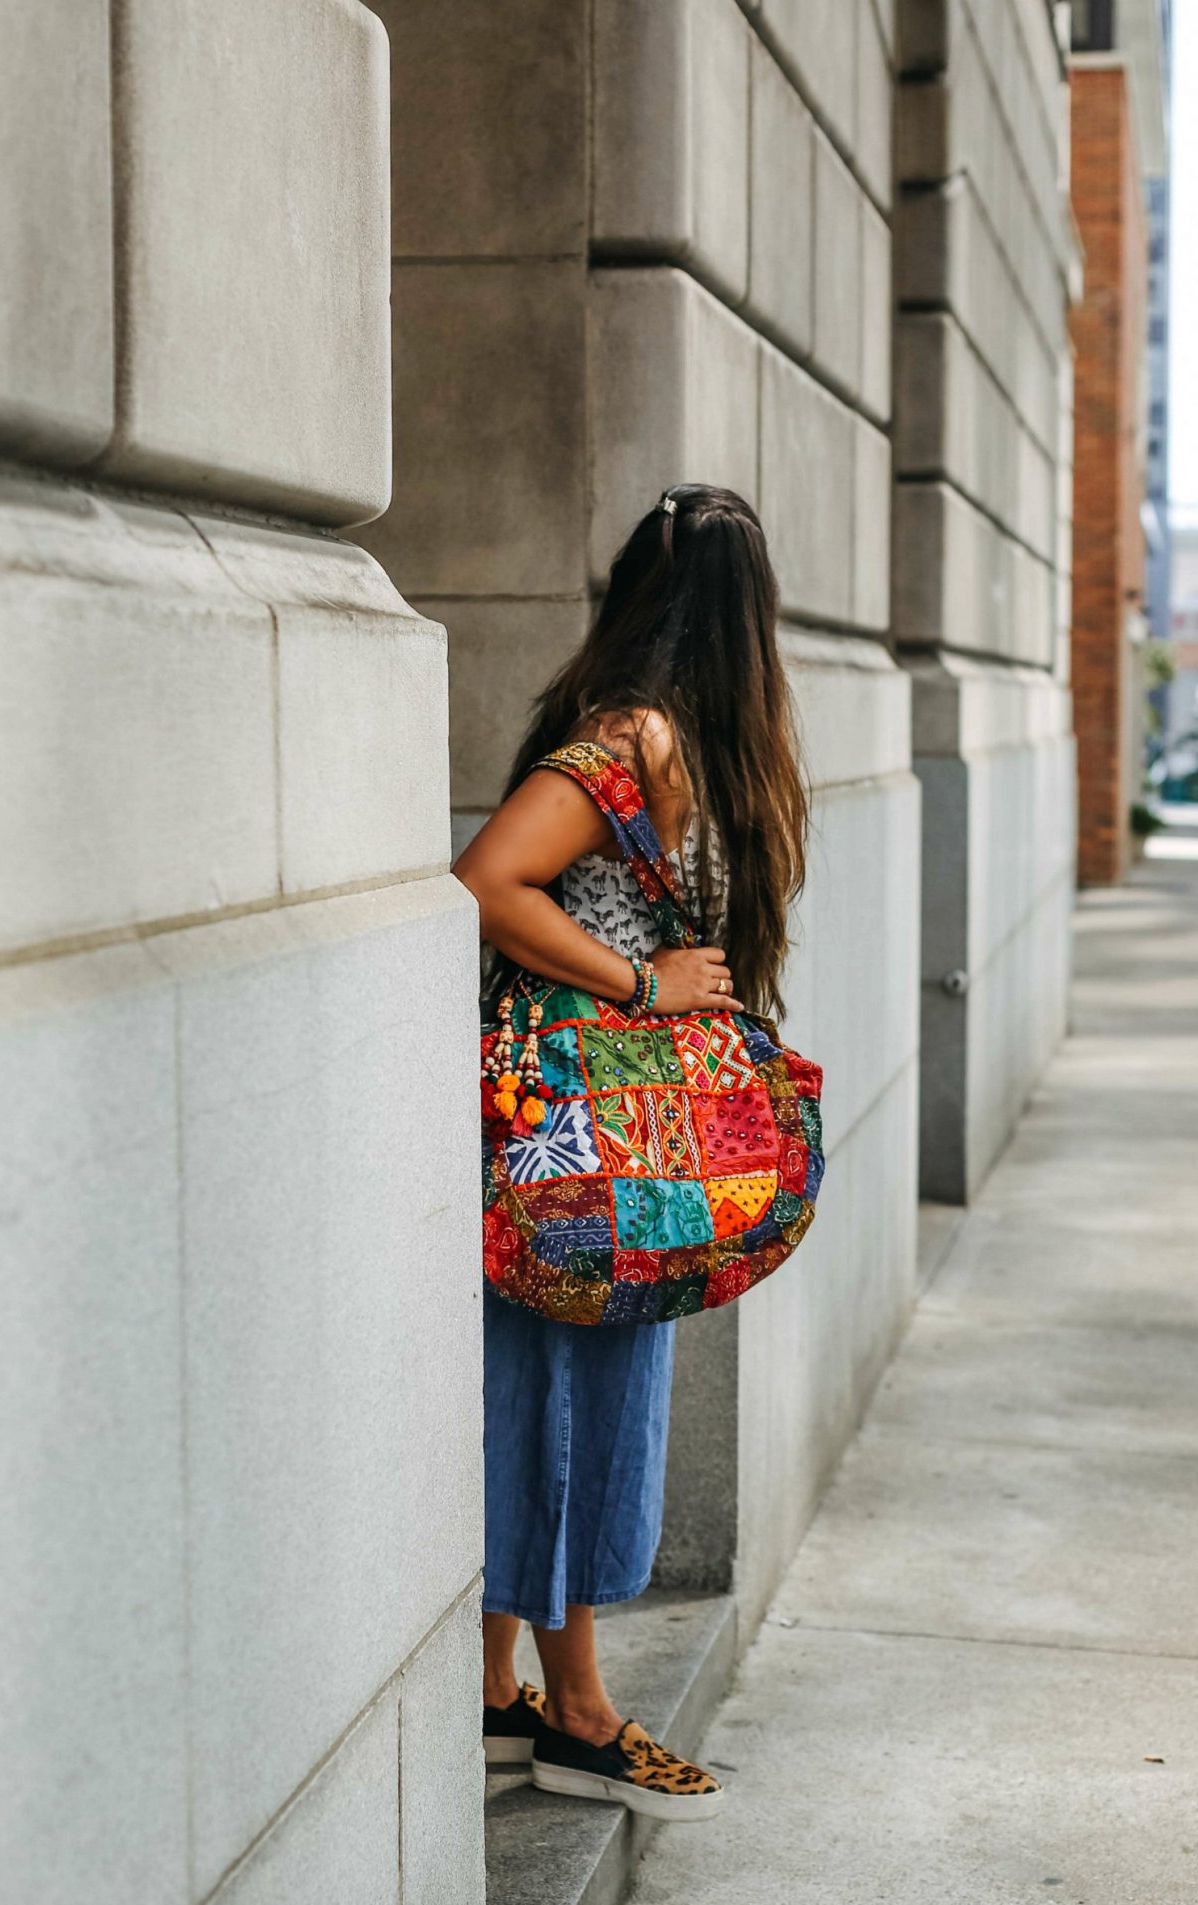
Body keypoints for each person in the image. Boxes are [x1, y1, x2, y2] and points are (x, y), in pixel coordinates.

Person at [452, 483, 809, 1819]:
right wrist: (639, 984)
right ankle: (581, 1715)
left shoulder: (671, 742)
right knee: (570, 1393)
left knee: (547, 1379)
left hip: (593, 1128)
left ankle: (498, 1691)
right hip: (588, 1124)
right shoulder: (641, 741)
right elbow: (489, 881)